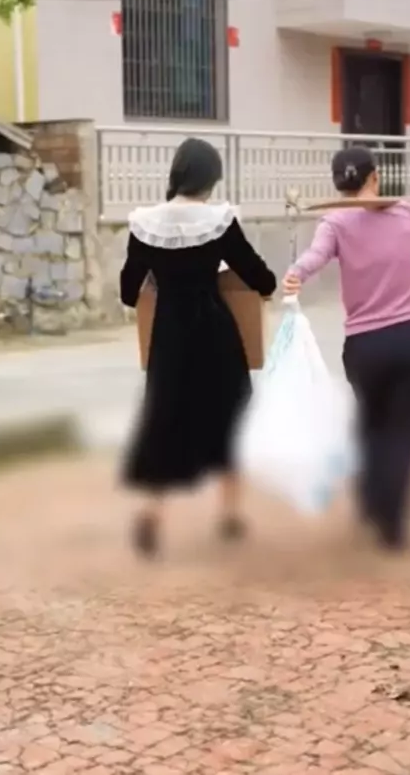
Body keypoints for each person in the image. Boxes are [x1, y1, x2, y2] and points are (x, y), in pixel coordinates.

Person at [283, 146, 410, 550]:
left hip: (366, 347)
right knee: (402, 431)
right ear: (375, 177)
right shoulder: (406, 212)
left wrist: (296, 274)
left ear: (339, 183)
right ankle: (390, 519)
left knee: (373, 426)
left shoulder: (334, 222)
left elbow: (314, 257)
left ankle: (373, 503)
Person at [120, 137, 276, 556]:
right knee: (229, 417)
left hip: (169, 337)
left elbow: (128, 291)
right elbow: (260, 277)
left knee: (165, 421)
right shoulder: (219, 221)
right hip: (215, 332)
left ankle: (151, 512)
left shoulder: (145, 224)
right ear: (211, 178)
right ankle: (230, 513)